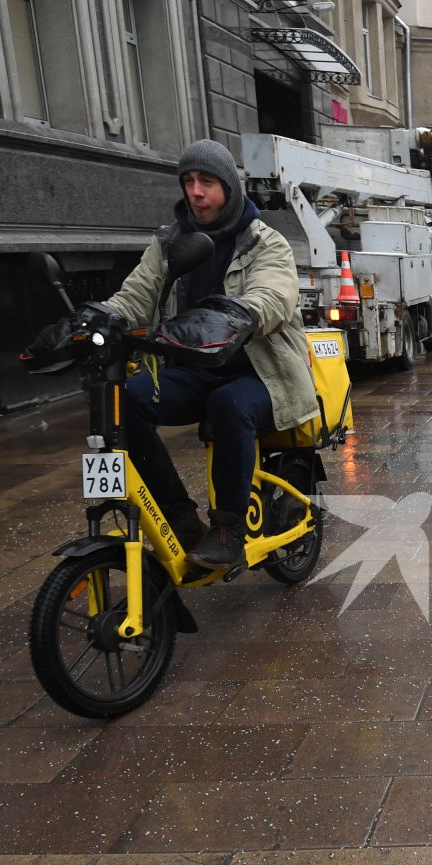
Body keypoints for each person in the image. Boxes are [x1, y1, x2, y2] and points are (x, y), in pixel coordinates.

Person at [86, 139, 317, 570]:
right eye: (188, 181)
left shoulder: (266, 243)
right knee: (126, 400)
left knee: (226, 404)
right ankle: (179, 515)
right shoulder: (170, 241)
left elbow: (275, 294)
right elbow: (136, 296)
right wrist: (94, 318)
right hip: (195, 367)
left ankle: (229, 529)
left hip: (262, 373)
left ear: (229, 187)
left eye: (207, 182)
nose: (195, 192)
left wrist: (238, 314)